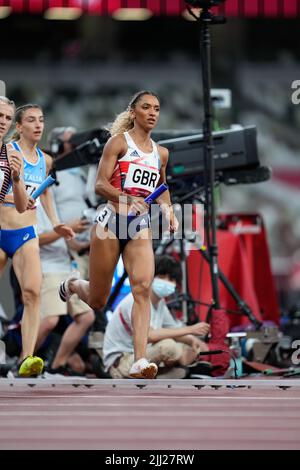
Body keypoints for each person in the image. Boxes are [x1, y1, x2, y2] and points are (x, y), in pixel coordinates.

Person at [59, 90, 178, 379]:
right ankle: (75, 285)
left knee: (142, 288)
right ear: (134, 113)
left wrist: (170, 211)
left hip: (139, 227)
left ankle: (139, 361)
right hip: (110, 223)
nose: (152, 113)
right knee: (99, 300)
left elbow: (162, 189)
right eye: (146, 107)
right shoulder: (118, 144)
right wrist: (125, 197)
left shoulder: (161, 153)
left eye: (157, 109)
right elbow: (100, 185)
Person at [0, 104, 74, 377]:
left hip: (26, 233)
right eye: (31, 120)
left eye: (41, 120)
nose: (38, 125)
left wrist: (56, 223)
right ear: (19, 127)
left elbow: (45, 194)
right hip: (2, 228)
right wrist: (16, 189)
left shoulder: (46, 159)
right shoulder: (8, 151)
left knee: (32, 294)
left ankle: (26, 359)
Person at [103, 255, 210, 378]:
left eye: (171, 279)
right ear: (149, 276)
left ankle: (165, 373)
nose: (166, 282)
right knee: (169, 346)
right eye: (161, 276)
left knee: (180, 354)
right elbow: (149, 335)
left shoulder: (160, 303)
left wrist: (194, 341)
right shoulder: (135, 301)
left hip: (140, 359)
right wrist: (191, 330)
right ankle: (180, 363)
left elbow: (174, 329)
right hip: (121, 362)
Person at [35, 198, 95, 376]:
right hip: (48, 268)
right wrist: (66, 229)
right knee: (49, 321)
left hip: (67, 267)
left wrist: (87, 246)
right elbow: (36, 239)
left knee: (86, 317)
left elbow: (67, 240)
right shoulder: (31, 197)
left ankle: (56, 366)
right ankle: (23, 360)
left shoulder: (52, 199)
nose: (52, 169)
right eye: (48, 168)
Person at [0, 96, 28, 212]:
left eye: (8, 118)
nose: (3, 122)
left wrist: (16, 179)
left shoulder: (13, 155)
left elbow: (22, 207)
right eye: (0, 115)